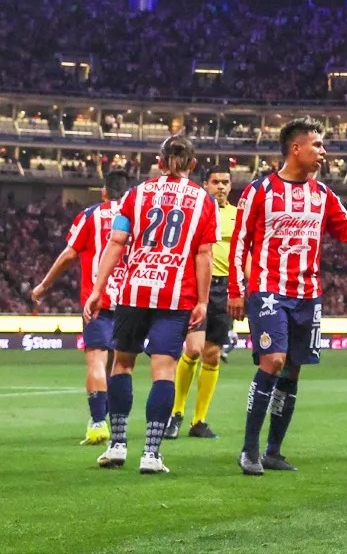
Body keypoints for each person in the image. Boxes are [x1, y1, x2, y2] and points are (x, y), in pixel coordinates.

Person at [230, 118, 347, 475]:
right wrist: (236, 291)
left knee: (292, 370)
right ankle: (249, 449)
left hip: (307, 294)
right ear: (296, 148)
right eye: (317, 145)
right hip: (269, 290)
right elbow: (241, 241)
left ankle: (273, 450)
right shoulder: (260, 191)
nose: (324, 151)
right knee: (272, 360)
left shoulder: (322, 195)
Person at [85, 137, 218, 474]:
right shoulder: (204, 201)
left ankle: (116, 446)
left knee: (123, 365)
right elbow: (204, 255)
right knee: (163, 370)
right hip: (176, 294)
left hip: (135, 290)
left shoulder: (135, 195)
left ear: (159, 162)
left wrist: (98, 289)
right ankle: (150, 453)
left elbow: (116, 243)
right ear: (192, 165)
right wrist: (202, 300)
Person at [32, 169, 132, 445]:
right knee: (120, 363)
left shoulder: (90, 215)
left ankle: (98, 423)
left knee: (96, 360)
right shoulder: (138, 216)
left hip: (97, 299)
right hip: (131, 300)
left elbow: (69, 255)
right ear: (127, 192)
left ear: (104, 192)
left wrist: (44, 285)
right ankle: (117, 423)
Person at [164, 164, 237, 439]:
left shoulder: (237, 216)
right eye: (216, 181)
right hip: (196, 288)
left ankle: (199, 421)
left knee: (212, 354)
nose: (221, 186)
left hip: (225, 288)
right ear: (205, 184)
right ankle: (176, 413)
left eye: (225, 182)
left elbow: (244, 253)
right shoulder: (193, 211)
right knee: (193, 349)